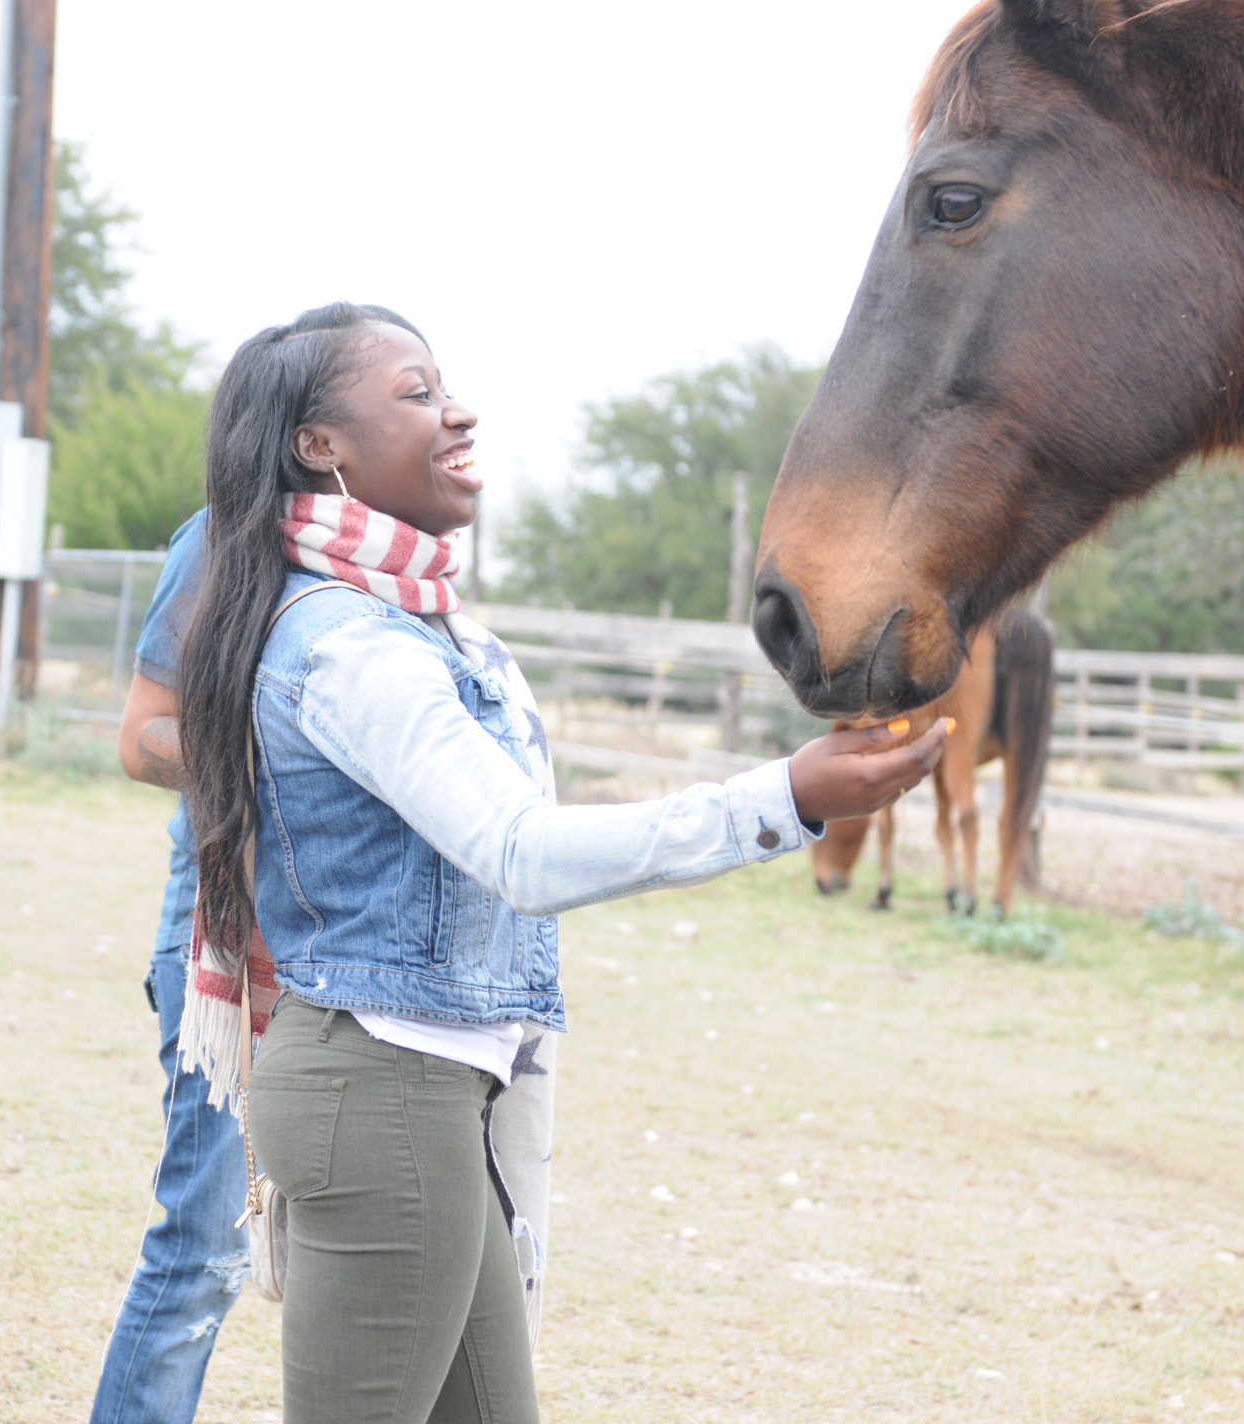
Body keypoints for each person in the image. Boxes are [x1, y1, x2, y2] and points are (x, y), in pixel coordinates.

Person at [176, 301, 948, 1424]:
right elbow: (521, 852)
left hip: (422, 1089)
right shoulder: (347, 645)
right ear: (318, 445)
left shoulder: (418, 623)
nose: (458, 410)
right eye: (416, 392)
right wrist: (779, 798)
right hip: (383, 1089)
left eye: (444, 386)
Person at [91, 507, 248, 1424]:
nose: (453, 415)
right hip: (227, 930)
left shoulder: (411, 563)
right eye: (413, 393)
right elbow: (142, 735)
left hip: (357, 944)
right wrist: (289, 759)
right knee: (207, 1245)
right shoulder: (229, 534)